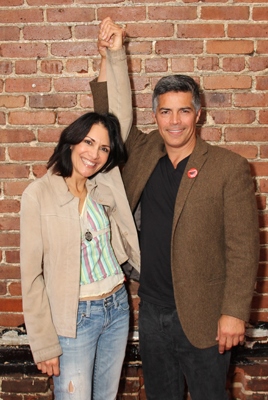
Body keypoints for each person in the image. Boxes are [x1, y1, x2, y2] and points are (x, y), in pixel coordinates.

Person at [92, 18, 260, 400]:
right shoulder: (143, 151)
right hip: (152, 312)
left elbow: (243, 248)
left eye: (183, 111)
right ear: (155, 115)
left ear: (197, 114)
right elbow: (109, 115)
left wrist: (235, 312)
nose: (174, 121)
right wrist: (110, 56)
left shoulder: (228, 167)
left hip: (204, 317)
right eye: (165, 112)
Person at [20, 28, 140, 399]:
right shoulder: (38, 195)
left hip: (117, 308)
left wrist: (114, 54)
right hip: (73, 319)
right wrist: (43, 344)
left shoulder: (103, 182)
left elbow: (120, 115)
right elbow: (31, 277)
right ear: (71, 141)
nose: (95, 153)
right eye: (88, 141)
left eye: (104, 148)